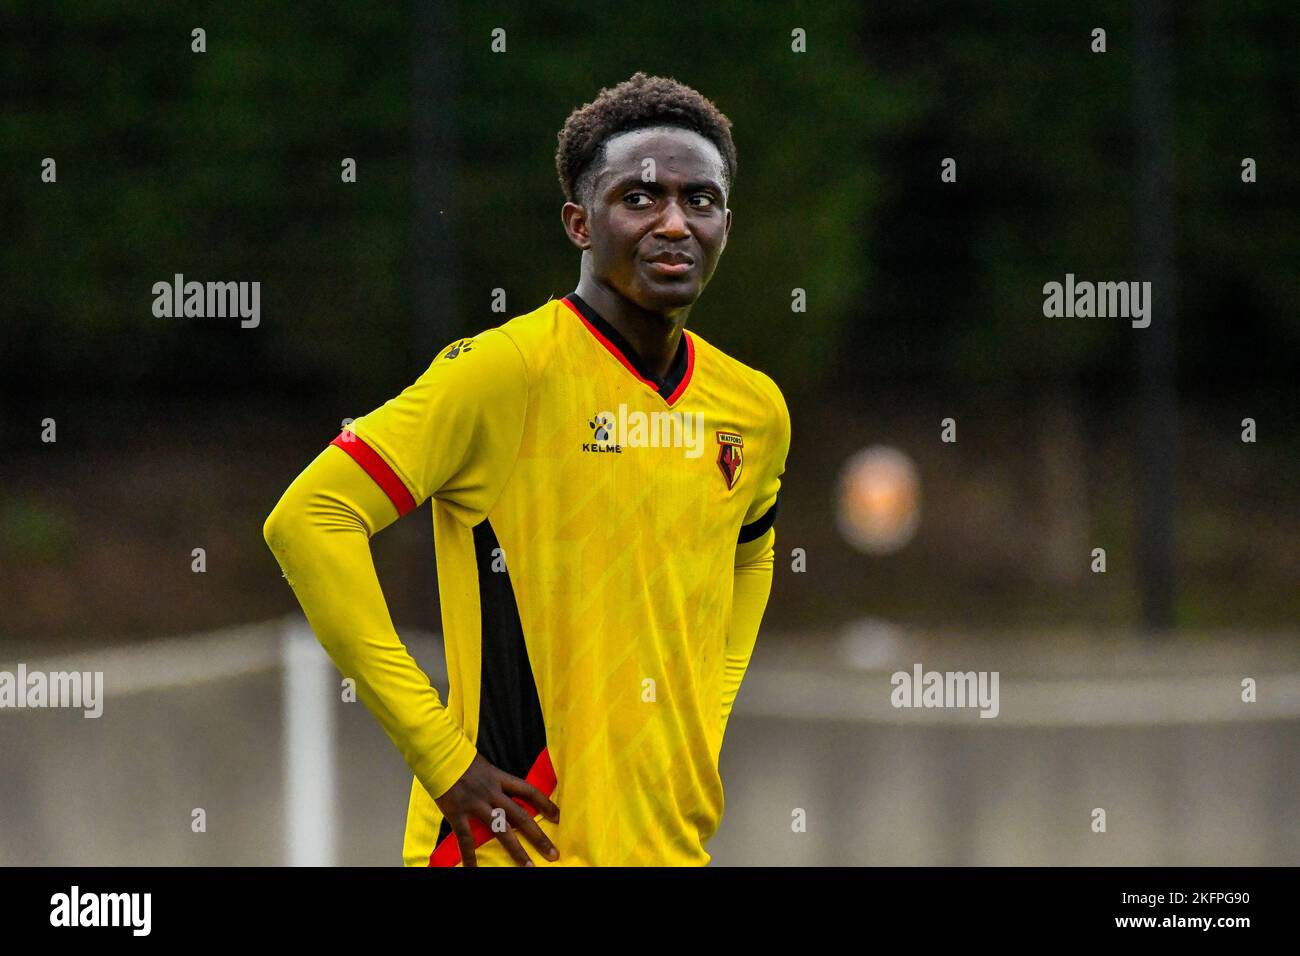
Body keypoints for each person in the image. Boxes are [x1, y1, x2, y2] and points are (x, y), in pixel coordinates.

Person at [263, 72, 790, 866]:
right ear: (580, 222)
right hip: (508, 850)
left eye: (701, 200)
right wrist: (441, 759)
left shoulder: (753, 409)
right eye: (640, 198)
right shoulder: (507, 373)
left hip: (670, 846)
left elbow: (753, 551)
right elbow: (310, 521)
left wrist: (705, 716)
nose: (675, 223)